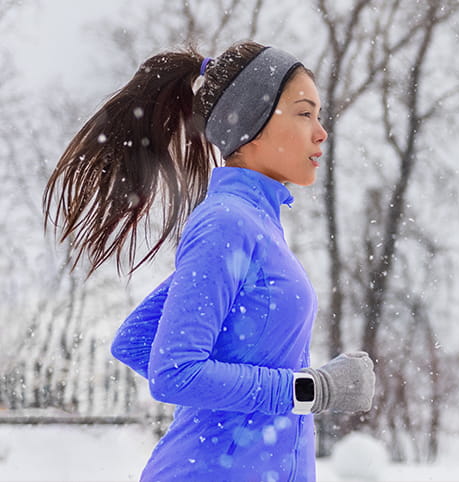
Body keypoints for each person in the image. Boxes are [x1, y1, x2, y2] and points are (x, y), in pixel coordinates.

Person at [43, 40, 375, 482]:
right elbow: (175, 371)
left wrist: (235, 399)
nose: (321, 132)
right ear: (252, 122)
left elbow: (137, 341)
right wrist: (311, 389)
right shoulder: (227, 223)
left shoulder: (253, 224)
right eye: (304, 113)